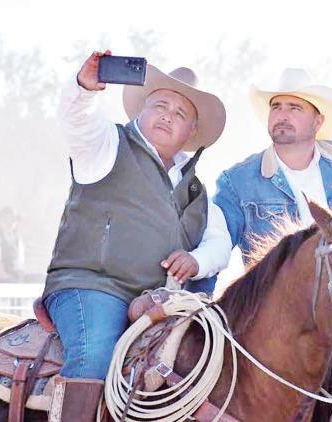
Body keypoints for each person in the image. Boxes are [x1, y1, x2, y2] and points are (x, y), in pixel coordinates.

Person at [42, 50, 231, 421]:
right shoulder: (107, 146)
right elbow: (77, 121)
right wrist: (84, 89)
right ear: (142, 110)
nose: (168, 116)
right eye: (160, 105)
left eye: (181, 114)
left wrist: (196, 261)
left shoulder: (197, 190)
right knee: (95, 356)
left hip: (160, 301)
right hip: (92, 287)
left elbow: (219, 244)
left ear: (191, 132)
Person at [213, 68, 332, 262]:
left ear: (318, 122)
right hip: (283, 283)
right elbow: (216, 244)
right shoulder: (238, 181)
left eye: (294, 108)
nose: (282, 115)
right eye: (276, 107)